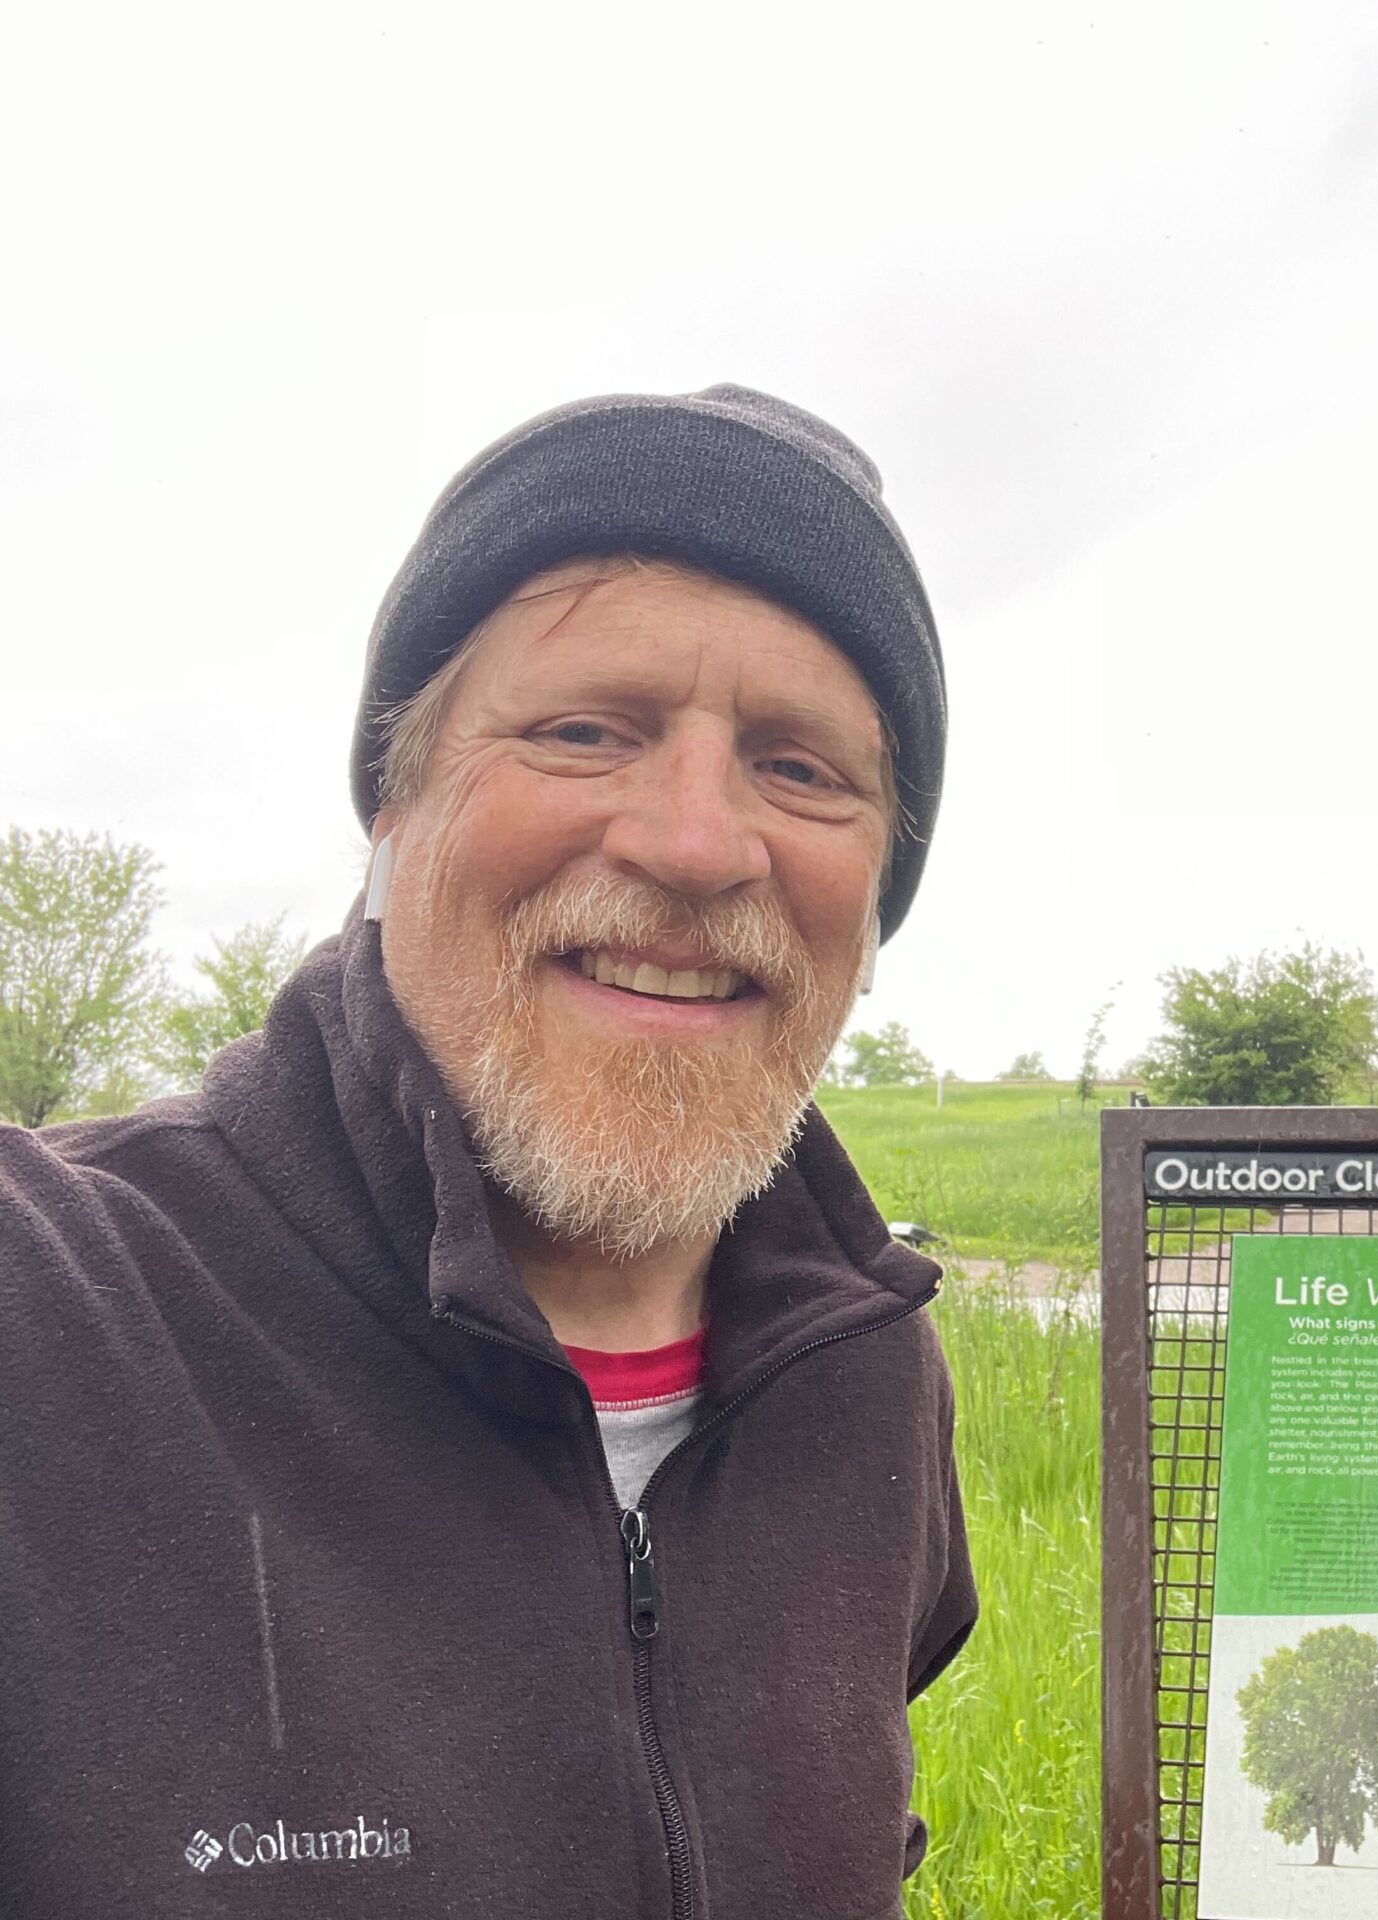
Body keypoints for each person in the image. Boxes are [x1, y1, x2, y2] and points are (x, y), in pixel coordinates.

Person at [0, 385, 976, 1917]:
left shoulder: (865, 1375)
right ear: (394, 806)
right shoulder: (55, 1318)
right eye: (587, 731)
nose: (699, 844)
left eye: (801, 768)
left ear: (877, 897)